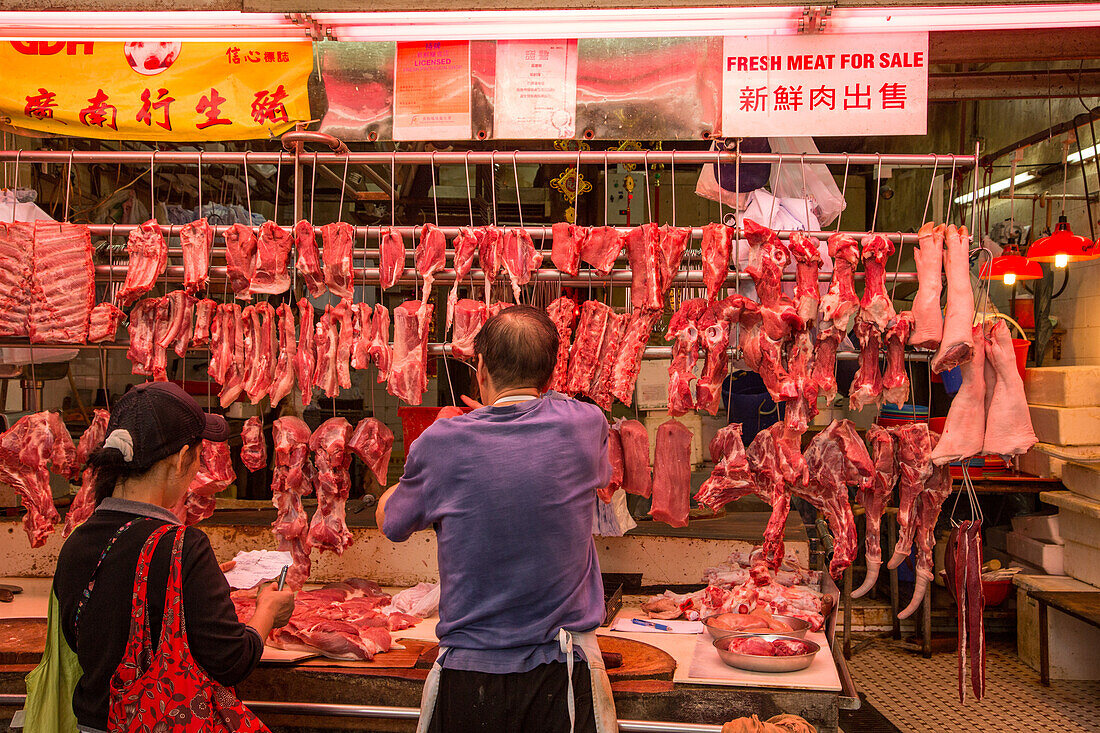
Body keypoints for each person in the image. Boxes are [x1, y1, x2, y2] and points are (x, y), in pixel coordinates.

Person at [377, 305, 618, 733]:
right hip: (561, 677)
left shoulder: (442, 443)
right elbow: (551, 413)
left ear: (481, 366)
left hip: (470, 676)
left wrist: (428, 460)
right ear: (551, 373)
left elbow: (391, 523)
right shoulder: (584, 425)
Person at [53, 382, 295, 733]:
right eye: (197, 455)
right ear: (182, 458)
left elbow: (90, 634)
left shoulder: (78, 541)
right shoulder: (183, 545)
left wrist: (201, 587)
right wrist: (267, 612)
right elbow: (231, 660)